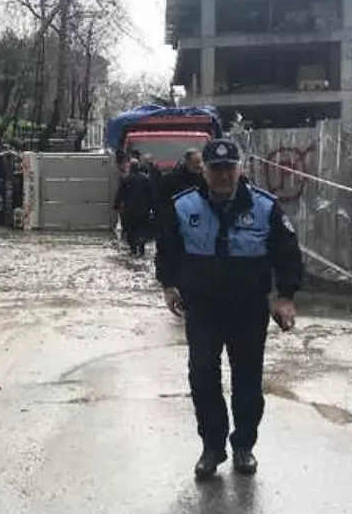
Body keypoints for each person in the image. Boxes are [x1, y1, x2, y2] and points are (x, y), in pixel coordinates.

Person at [156, 137, 303, 480]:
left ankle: (243, 446)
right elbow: (167, 248)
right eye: (216, 169)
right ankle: (212, 447)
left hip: (248, 309)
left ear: (241, 169)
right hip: (203, 307)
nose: (223, 175)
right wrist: (168, 285)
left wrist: (286, 296)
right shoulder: (184, 206)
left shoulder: (265, 207)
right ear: (204, 171)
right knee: (203, 376)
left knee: (247, 380)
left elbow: (287, 253)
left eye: (229, 168)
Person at [113, 159, 155, 257]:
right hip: (143, 210)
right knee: (142, 229)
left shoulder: (126, 179)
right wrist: (153, 208)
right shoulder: (146, 179)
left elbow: (120, 194)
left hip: (130, 210)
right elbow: (151, 195)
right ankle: (141, 249)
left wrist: (116, 206)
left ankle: (133, 250)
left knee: (130, 230)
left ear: (130, 168)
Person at [156, 149, 206, 228]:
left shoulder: (205, 180)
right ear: (187, 162)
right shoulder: (170, 179)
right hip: (178, 223)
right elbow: (162, 203)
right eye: (196, 165)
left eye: (200, 163)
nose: (199, 167)